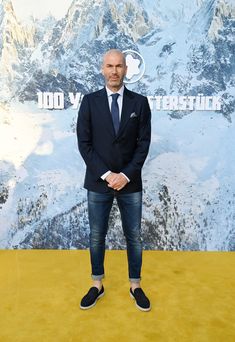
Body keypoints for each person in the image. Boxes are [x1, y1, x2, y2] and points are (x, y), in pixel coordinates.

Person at [77, 49, 151, 312]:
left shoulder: (139, 103)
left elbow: (143, 145)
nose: (114, 71)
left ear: (126, 70)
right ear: (102, 69)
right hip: (99, 183)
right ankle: (97, 284)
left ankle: (135, 285)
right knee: (97, 235)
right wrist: (108, 175)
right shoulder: (89, 102)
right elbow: (84, 145)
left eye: (119, 66)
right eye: (109, 65)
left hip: (131, 182)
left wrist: (126, 175)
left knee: (134, 235)